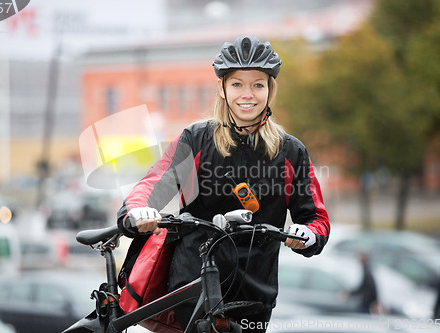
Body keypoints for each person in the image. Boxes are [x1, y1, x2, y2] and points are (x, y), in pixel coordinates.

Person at [117, 36, 330, 332]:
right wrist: (137, 211)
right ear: (222, 88)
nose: (248, 94)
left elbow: (316, 219)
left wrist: (307, 235)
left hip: (254, 292)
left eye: (258, 84)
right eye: (237, 84)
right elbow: (154, 184)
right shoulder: (197, 139)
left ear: (270, 89)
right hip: (195, 283)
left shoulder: (290, 152)